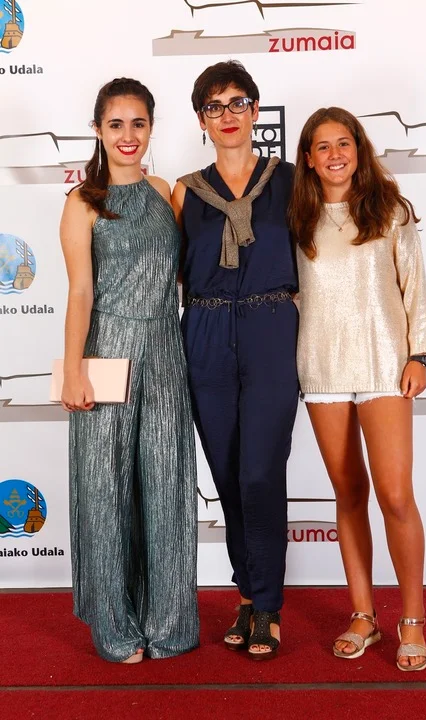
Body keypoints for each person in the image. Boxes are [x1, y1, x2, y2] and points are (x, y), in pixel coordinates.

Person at [60, 77, 199, 663]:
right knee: (106, 489)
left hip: (165, 350)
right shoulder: (82, 202)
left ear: (151, 128)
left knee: (167, 484)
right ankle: (116, 627)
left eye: (138, 123)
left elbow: (186, 277)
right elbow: (80, 292)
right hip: (107, 350)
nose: (128, 135)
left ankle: (168, 623)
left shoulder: (165, 191)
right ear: (98, 130)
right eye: (115, 124)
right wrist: (74, 371)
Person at [289, 107, 426, 671]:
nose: (335, 155)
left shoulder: (391, 210)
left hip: (384, 364)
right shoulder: (295, 219)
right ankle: (363, 615)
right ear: (308, 158)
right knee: (348, 493)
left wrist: (419, 354)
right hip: (322, 367)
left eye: (343, 143)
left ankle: (412, 619)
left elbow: (415, 286)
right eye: (322, 146)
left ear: (359, 148)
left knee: (394, 495)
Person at [172, 60, 298, 659]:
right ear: (202, 119)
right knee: (226, 472)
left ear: (256, 111)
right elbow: (168, 270)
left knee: (259, 472)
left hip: (271, 326)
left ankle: (268, 604)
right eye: (214, 106)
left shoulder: (288, 180)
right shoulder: (183, 191)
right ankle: (247, 596)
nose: (227, 115)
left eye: (238, 103)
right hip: (204, 328)